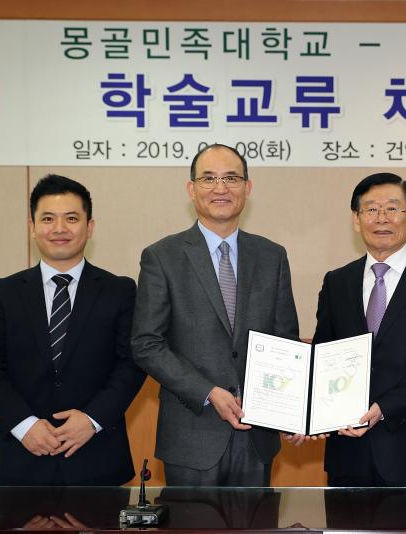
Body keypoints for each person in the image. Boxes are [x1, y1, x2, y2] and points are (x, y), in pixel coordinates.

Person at [131, 144, 299, 486]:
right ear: (191, 189)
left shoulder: (272, 256)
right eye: (208, 179)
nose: (220, 188)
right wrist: (208, 391)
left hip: (258, 434)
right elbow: (147, 344)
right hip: (191, 436)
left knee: (258, 519)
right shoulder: (162, 256)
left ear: (247, 188)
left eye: (231, 178)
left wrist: (289, 409)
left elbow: (285, 341)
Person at [0, 174, 145, 485]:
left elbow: (132, 363)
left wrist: (92, 420)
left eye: (72, 218)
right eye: (48, 218)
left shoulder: (120, 290)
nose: (60, 228)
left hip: (97, 457)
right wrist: (24, 425)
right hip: (21, 459)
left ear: (90, 227)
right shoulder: (4, 292)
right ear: (32, 226)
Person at [309, 172, 406, 487]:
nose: (382, 218)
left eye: (392, 208)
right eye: (371, 209)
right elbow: (323, 354)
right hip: (347, 450)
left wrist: (384, 408)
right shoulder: (337, 282)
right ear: (356, 219)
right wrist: (305, 414)